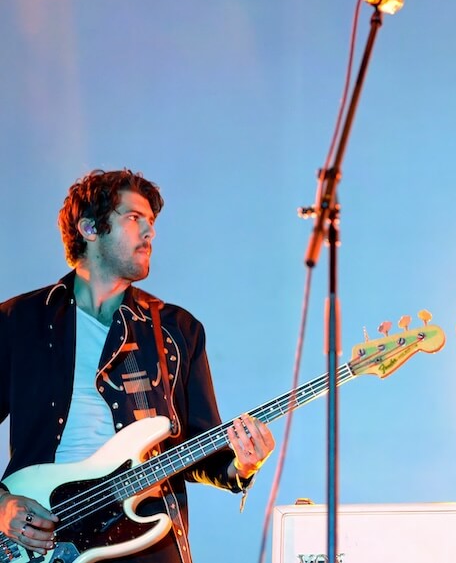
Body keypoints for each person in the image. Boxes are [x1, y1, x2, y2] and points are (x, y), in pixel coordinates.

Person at [0, 169, 275, 562]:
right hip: (40, 541)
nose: (150, 232)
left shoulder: (177, 331)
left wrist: (242, 464)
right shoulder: (18, 322)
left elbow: (201, 451)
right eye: (134, 218)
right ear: (90, 228)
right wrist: (2, 506)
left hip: (145, 540)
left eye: (152, 222)